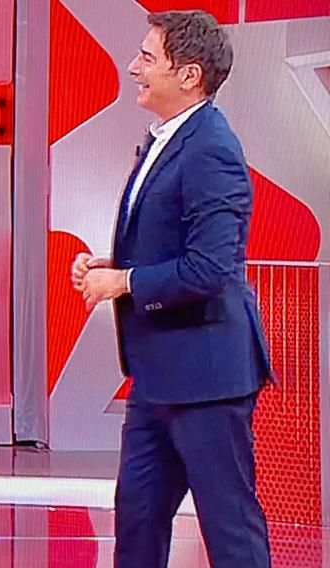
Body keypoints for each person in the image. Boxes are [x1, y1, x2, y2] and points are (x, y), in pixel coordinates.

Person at [71, 10, 272, 568]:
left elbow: (211, 267)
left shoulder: (212, 148)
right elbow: (176, 244)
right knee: (137, 524)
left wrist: (126, 281)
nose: (133, 67)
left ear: (189, 75)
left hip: (207, 379)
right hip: (157, 377)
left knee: (230, 533)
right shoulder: (168, 138)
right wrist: (116, 263)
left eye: (147, 57)